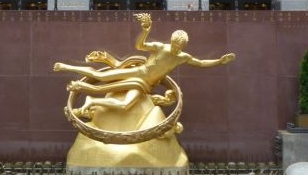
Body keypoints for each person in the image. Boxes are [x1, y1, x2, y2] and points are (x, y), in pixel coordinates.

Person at [53, 13, 235, 116]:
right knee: (100, 77)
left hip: (145, 85)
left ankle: (91, 100)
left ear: (183, 46)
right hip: (137, 73)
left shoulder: (183, 57)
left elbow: (201, 63)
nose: (176, 48)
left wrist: (219, 61)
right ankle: (66, 67)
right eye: (174, 44)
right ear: (171, 41)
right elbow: (139, 46)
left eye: (179, 47)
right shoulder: (160, 47)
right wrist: (145, 31)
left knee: (125, 105)